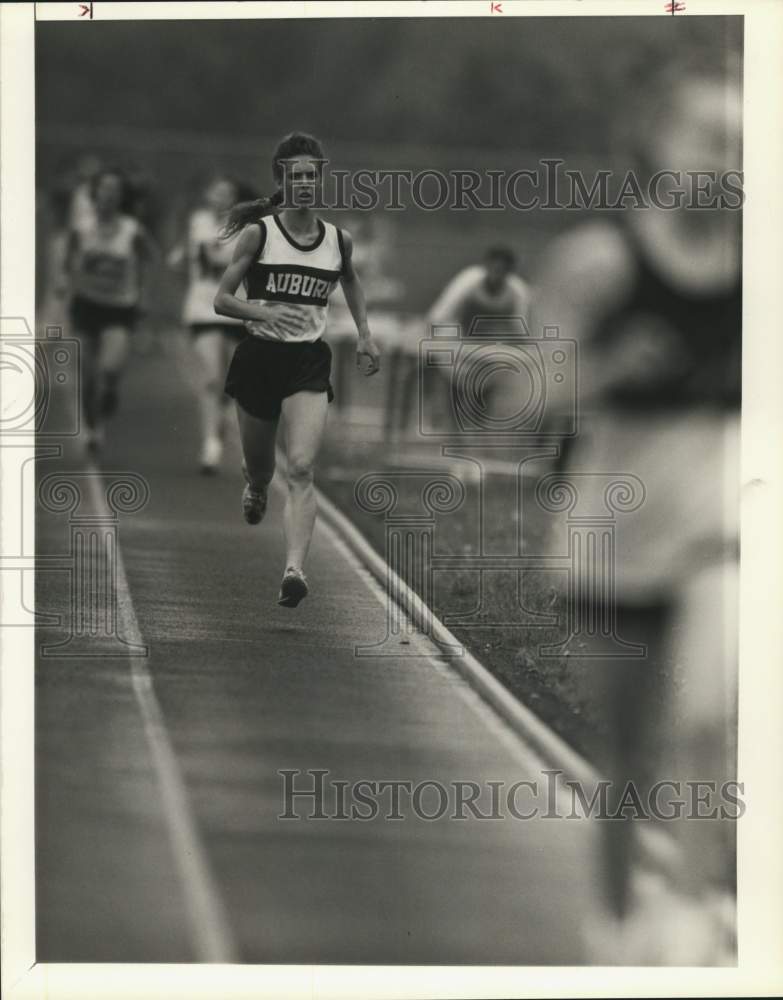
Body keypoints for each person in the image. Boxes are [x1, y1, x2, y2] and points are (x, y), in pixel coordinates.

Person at [532, 69, 741, 964]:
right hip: (611, 537)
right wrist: (607, 370)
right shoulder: (600, 261)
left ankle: (694, 917)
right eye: (708, 139)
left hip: (715, 536)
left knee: (711, 720)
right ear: (655, 145)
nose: (724, 161)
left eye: (741, 145)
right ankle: (613, 931)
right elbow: (517, 401)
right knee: (627, 753)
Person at [214, 132, 381, 608]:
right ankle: (256, 484)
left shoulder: (337, 240)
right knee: (264, 467)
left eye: (312, 175)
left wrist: (365, 333)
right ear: (282, 180)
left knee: (303, 467)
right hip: (260, 359)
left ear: (321, 179)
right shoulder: (260, 234)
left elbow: (350, 281)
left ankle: (294, 570)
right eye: (296, 176)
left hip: (307, 360)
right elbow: (222, 299)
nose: (305, 183)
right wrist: (262, 313)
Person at [57, 167, 157, 454]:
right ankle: (93, 428)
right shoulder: (82, 228)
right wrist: (65, 281)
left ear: (121, 197)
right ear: (95, 194)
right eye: (103, 190)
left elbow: (150, 259)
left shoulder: (132, 229)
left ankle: (110, 391)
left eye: (115, 191)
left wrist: (144, 294)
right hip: (86, 305)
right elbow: (67, 259)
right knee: (87, 376)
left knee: (110, 370)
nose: (108, 196)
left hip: (120, 307)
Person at [169, 176, 251, 473]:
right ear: (208, 195)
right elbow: (180, 257)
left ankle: (219, 423)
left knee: (229, 383)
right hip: (203, 309)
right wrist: (181, 262)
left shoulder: (247, 227)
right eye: (216, 192)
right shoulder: (198, 222)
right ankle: (211, 445)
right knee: (211, 378)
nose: (221, 198)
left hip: (236, 309)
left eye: (227, 194)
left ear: (234, 198)